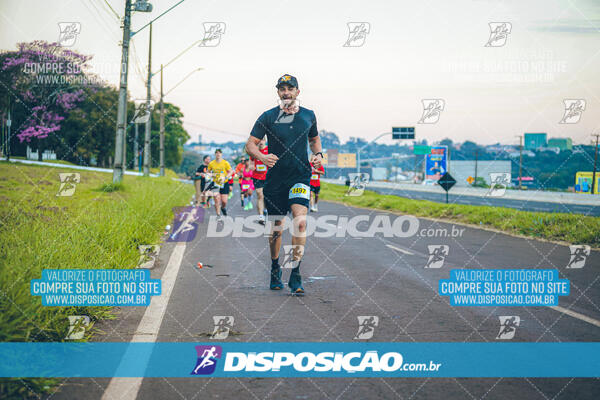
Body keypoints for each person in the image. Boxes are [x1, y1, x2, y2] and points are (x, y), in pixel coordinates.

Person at [245, 74, 323, 295]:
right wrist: (261, 157)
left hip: (300, 175)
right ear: (278, 92)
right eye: (282, 89)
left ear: (298, 92)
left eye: (290, 88)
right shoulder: (268, 117)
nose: (286, 92)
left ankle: (296, 273)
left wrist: (318, 155)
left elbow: (314, 139)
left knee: (300, 222)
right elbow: (250, 144)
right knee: (277, 229)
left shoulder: (309, 115)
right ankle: (275, 267)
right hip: (276, 179)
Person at [206, 149, 233, 219]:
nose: (218, 154)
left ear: (221, 154)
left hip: (224, 183)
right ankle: (218, 215)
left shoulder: (225, 163)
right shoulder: (211, 163)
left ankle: (223, 208)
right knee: (217, 200)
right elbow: (208, 171)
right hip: (216, 183)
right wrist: (211, 175)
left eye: (219, 153)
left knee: (224, 201)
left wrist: (226, 177)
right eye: (216, 153)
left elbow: (231, 172)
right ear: (215, 154)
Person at [250, 138, 269, 224]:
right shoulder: (255, 151)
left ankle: (265, 209)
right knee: (260, 194)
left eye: (262, 141)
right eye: (259, 141)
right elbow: (251, 162)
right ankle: (261, 217)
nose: (261, 142)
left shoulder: (269, 150)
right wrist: (251, 167)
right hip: (257, 176)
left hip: (268, 176)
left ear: (265, 141)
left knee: (267, 196)